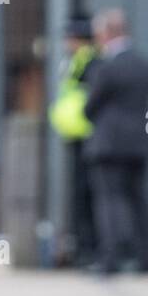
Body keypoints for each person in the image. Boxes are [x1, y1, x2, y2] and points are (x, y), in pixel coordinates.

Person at [83, 7, 148, 275]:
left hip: (108, 144)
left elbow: (90, 106)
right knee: (139, 200)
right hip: (139, 143)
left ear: (106, 33)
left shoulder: (106, 67)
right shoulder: (145, 65)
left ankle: (110, 259)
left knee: (109, 200)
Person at [49, 15, 100, 266]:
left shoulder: (91, 62)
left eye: (70, 38)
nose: (66, 43)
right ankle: (85, 249)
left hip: (90, 137)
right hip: (77, 136)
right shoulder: (76, 61)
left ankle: (91, 251)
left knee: (88, 195)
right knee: (81, 195)